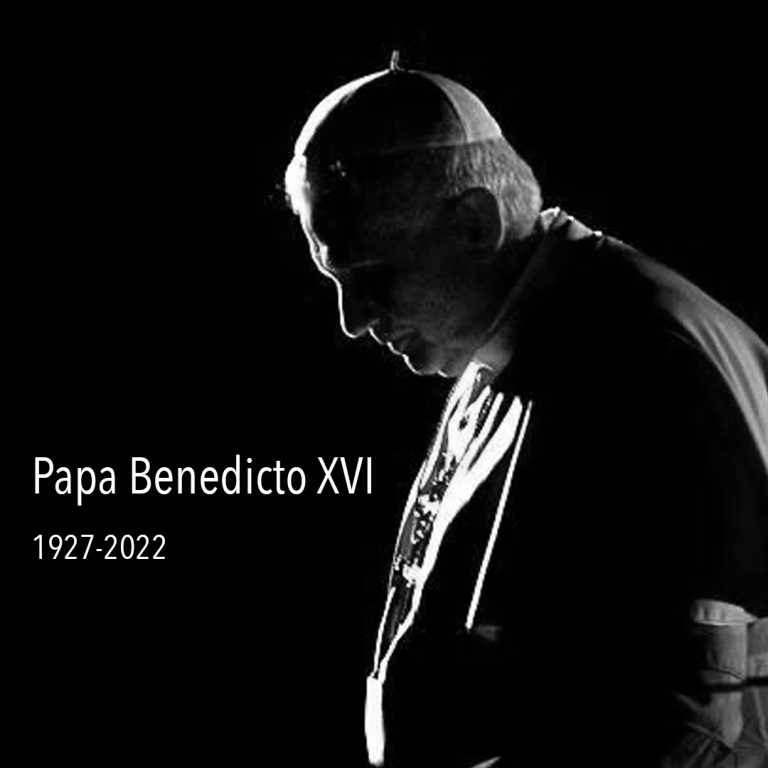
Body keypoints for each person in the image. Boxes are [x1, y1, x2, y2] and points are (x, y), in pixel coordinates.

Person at [284, 57, 768, 767]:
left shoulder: (638, 361)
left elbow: (686, 729)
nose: (352, 320)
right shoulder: (518, 336)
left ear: (474, 224)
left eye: (371, 274)